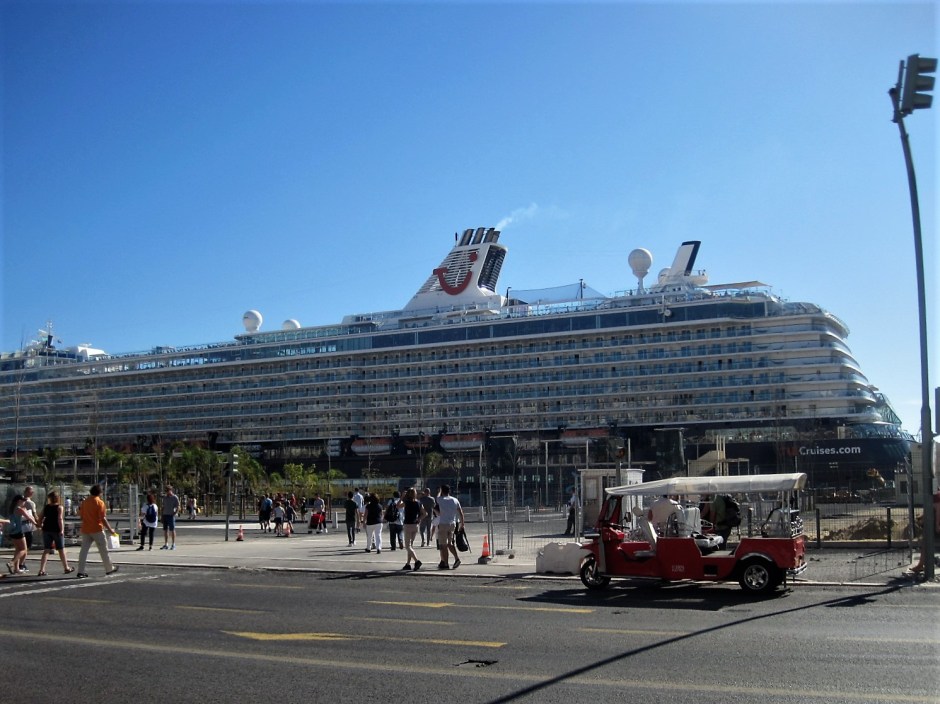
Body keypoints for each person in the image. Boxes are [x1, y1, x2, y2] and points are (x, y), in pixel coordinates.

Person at [75, 484, 118, 578]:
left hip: (86, 529)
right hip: (97, 529)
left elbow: (81, 516)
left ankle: (80, 571)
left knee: (83, 551)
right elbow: (103, 518)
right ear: (100, 493)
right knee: (103, 550)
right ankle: (109, 568)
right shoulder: (100, 502)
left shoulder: (85, 502)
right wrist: (110, 530)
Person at [37, 491, 74, 575]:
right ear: (58, 498)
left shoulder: (47, 507)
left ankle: (42, 570)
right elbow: (60, 519)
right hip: (56, 530)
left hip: (46, 529)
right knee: (61, 549)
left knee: (46, 550)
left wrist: (40, 525)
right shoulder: (59, 507)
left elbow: (40, 517)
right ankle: (66, 567)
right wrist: (62, 530)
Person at [435, 485, 465, 570]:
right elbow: (461, 512)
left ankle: (446, 563)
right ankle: (456, 558)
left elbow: (437, 497)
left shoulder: (440, 499)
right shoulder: (455, 500)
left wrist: (439, 491)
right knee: (450, 543)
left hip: (443, 523)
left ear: (442, 491)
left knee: (443, 545)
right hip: (452, 523)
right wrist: (462, 523)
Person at [3, 494, 34, 575]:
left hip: (12, 531)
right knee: (23, 549)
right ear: (19, 501)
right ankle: (11, 563)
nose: (24, 502)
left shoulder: (12, 509)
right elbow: (29, 517)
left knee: (17, 549)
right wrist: (37, 524)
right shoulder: (19, 509)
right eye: (23, 501)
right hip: (19, 531)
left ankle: (16, 569)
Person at [401, 487, 425, 571]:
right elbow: (425, 513)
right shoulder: (419, 503)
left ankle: (417, 561)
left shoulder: (406, 502)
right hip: (415, 525)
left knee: (407, 546)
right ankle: (408, 564)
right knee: (410, 546)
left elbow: (398, 506)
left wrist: (401, 497)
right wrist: (419, 519)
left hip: (408, 524)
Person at [21, 485, 38, 569]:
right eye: (31, 491)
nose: (33, 493)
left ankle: (19, 563)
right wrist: (38, 523)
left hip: (19, 526)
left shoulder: (18, 501)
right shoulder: (30, 503)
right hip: (27, 526)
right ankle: (21, 563)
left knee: (20, 547)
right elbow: (34, 515)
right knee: (26, 546)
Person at [160, 485, 180, 550]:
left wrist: (175, 513)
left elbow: (178, 506)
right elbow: (163, 507)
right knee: (165, 530)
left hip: (171, 515)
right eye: (166, 491)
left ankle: (173, 544)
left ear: (170, 490)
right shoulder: (165, 498)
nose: (166, 492)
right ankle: (166, 544)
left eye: (167, 490)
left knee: (172, 529)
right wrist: (162, 516)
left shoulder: (175, 497)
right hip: (165, 514)